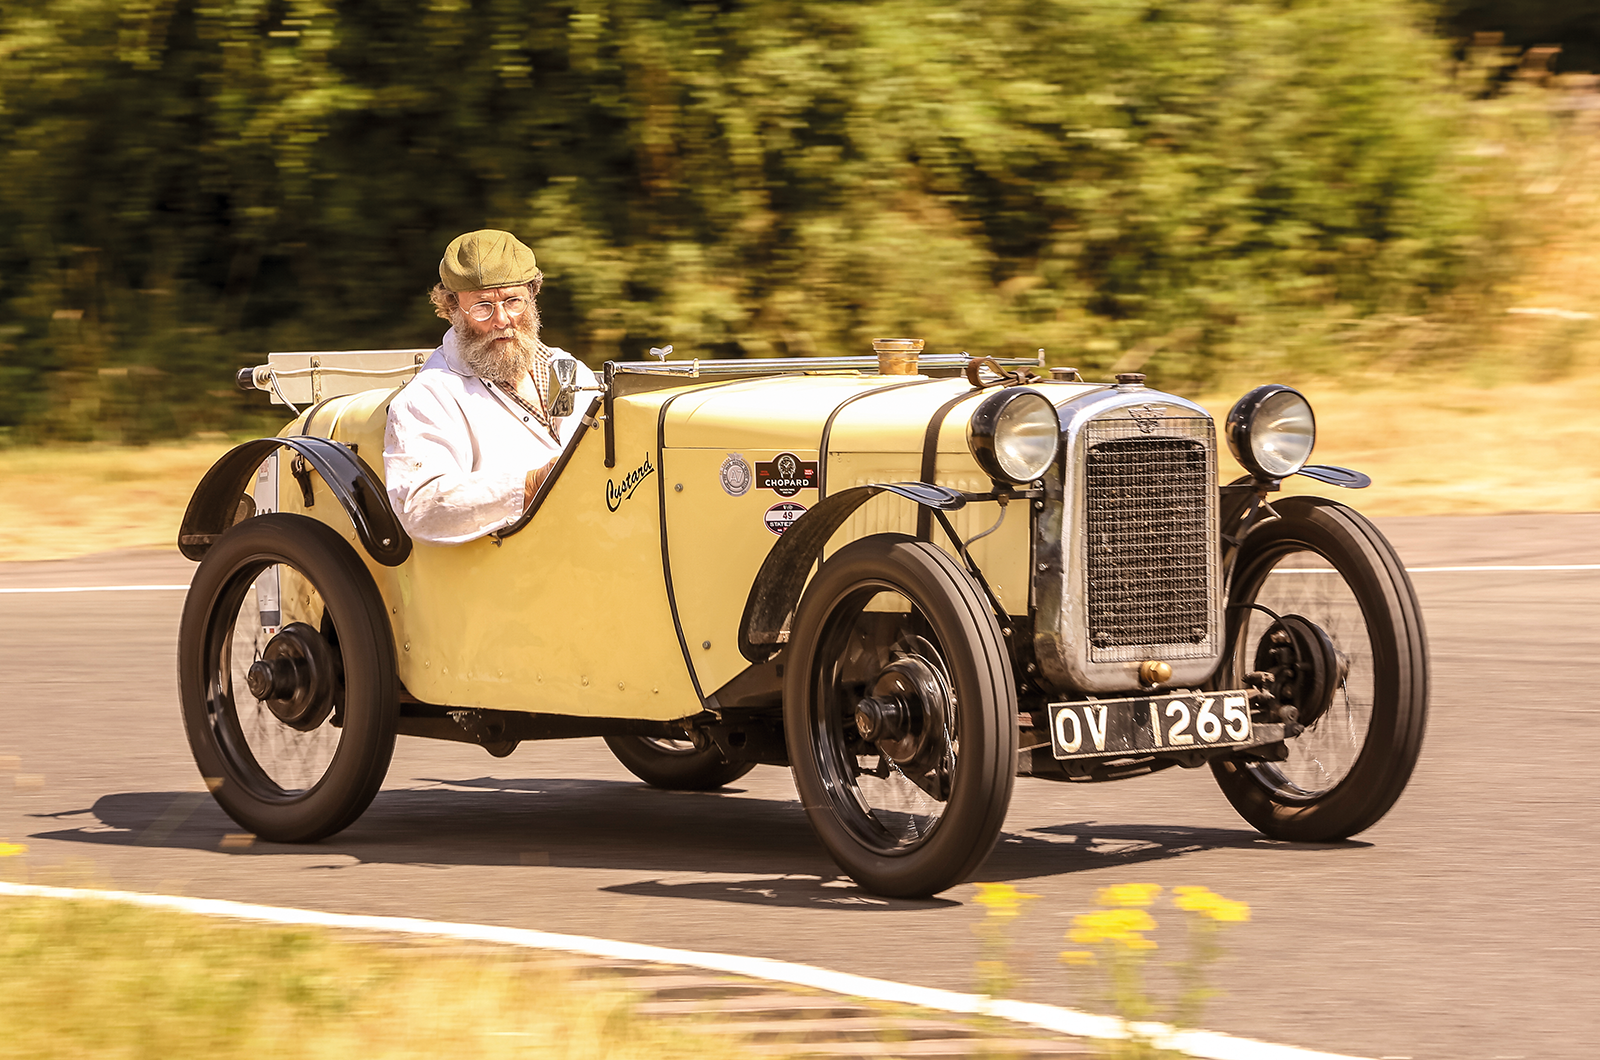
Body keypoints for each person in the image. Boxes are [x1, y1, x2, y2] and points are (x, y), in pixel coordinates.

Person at [383, 229, 598, 544]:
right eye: (483, 307)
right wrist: (528, 484)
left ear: (532, 295)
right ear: (452, 308)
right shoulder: (429, 397)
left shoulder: (569, 370)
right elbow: (421, 506)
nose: (502, 319)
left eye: (514, 301)